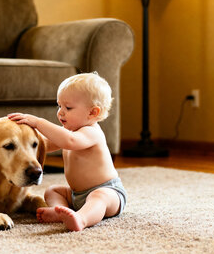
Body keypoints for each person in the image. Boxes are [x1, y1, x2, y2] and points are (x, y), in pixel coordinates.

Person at [8, 72, 126, 231]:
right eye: (59, 106)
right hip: (76, 194)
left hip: (108, 191)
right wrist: (24, 138)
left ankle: (82, 218)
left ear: (93, 112)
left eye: (68, 107)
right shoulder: (69, 131)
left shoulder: (92, 132)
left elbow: (69, 141)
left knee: (98, 197)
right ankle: (61, 211)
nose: (60, 112)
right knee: (53, 191)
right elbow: (46, 145)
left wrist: (38, 122)